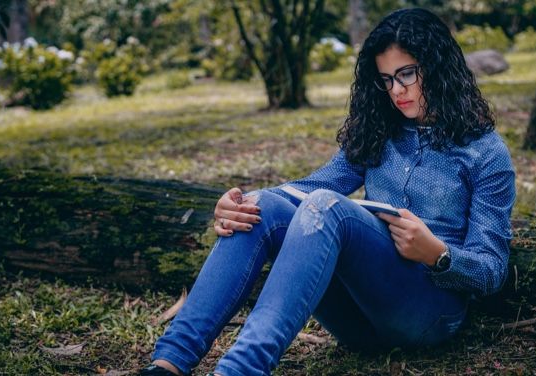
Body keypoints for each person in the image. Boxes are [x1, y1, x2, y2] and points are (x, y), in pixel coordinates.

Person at [140, 7, 515, 376]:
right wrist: (240, 204)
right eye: (385, 79)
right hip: (357, 323)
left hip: (430, 314)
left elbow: (492, 269)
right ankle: (167, 363)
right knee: (264, 206)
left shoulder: (485, 151)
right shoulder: (380, 130)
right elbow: (309, 188)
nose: (396, 90)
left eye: (406, 74)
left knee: (328, 207)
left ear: (437, 67)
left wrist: (438, 254)